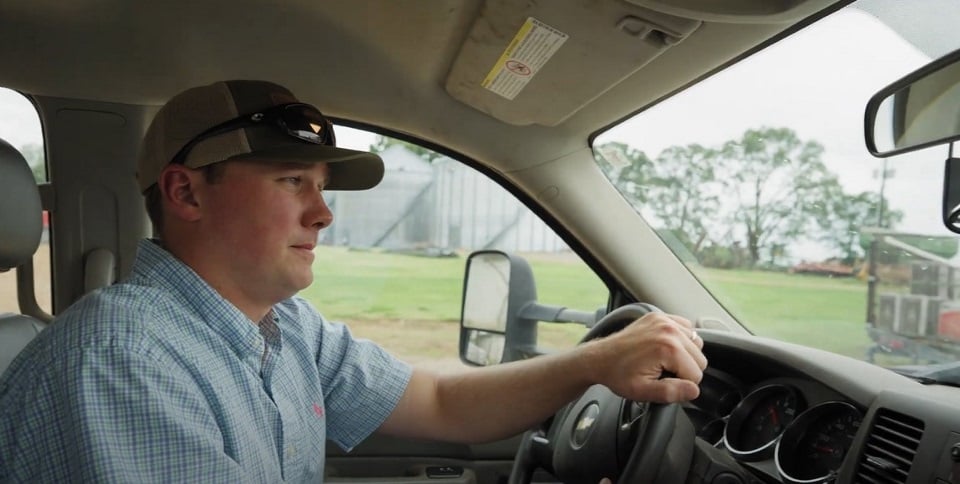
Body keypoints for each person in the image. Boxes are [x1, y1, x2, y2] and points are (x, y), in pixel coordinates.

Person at [0, 80, 707, 482]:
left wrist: (596, 363)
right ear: (186, 194)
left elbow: (438, 403)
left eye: (321, 183)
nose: (324, 212)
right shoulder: (125, 360)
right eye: (291, 181)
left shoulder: (277, 325)